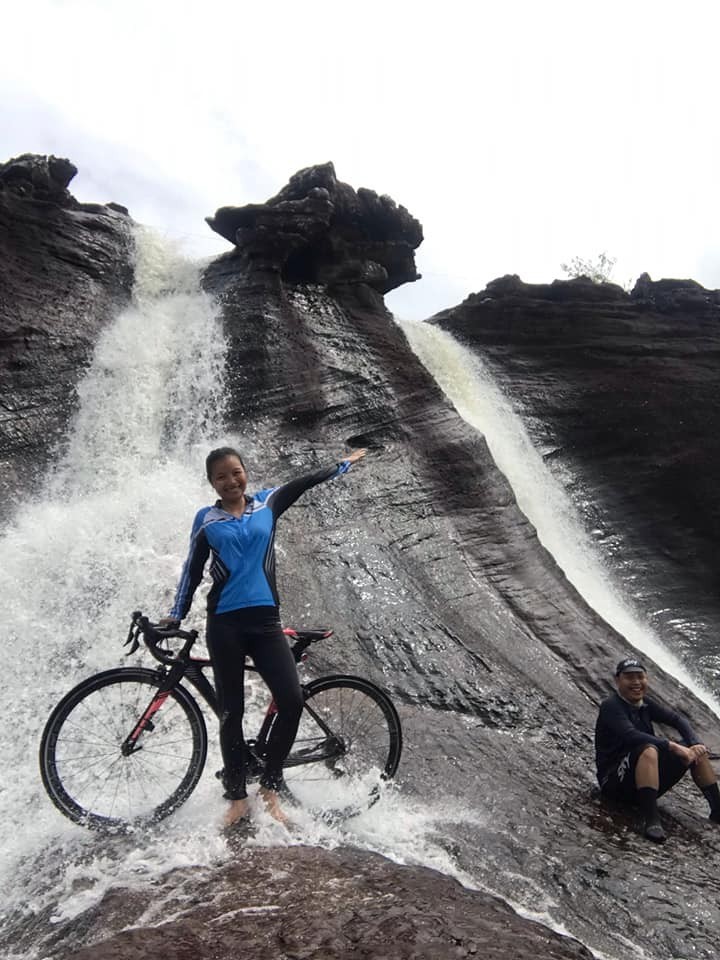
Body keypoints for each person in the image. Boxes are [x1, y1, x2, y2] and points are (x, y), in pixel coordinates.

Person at [161, 445, 367, 828]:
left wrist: (344, 463)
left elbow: (305, 482)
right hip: (224, 625)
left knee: (290, 700)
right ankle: (237, 799)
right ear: (212, 482)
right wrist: (176, 614)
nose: (231, 480)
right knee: (231, 713)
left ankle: (270, 789)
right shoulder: (206, 520)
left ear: (245, 472)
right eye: (221, 476)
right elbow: (192, 570)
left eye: (235, 472)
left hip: (266, 623)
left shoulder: (267, 502)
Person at [595, 656, 720, 842]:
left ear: (647, 679)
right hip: (614, 784)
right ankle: (650, 819)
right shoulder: (611, 706)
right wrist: (672, 746)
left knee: (694, 751)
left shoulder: (644, 703)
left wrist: (694, 743)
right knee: (648, 748)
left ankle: (717, 809)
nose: (636, 682)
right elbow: (631, 735)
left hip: (643, 782)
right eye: (629, 677)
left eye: (640, 677)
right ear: (617, 680)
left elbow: (677, 720)